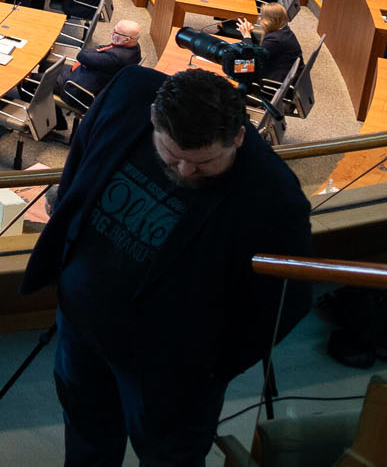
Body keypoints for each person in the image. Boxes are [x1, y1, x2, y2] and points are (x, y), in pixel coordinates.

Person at [22, 67, 312, 467]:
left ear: (240, 137)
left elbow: (286, 300)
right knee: (87, 443)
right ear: (154, 119)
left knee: (167, 459)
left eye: (204, 162)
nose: (185, 172)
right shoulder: (128, 93)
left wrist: (211, 368)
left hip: (169, 374)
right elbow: (80, 171)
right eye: (172, 156)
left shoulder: (273, 195)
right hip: (81, 326)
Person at [66, 19, 142, 105]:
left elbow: (81, 56)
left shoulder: (115, 58)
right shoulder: (134, 46)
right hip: (96, 77)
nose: (112, 33)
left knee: (48, 81)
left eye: (116, 33)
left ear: (127, 40)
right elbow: (103, 47)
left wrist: (92, 51)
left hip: (80, 90)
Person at [253, 4, 302, 94]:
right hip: (278, 73)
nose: (259, 19)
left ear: (270, 20)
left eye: (262, 17)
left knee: (234, 70)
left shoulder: (275, 40)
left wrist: (247, 37)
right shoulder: (285, 32)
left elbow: (252, 61)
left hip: (270, 85)